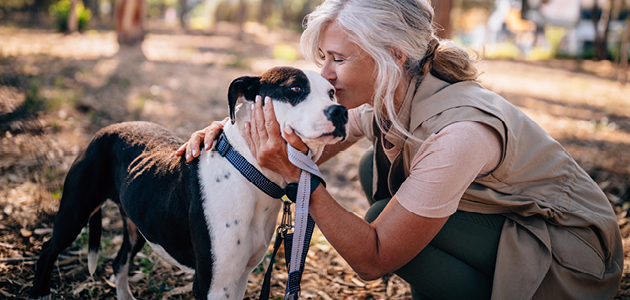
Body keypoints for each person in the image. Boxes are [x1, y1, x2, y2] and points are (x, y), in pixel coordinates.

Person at [175, 0, 623, 299]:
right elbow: (311, 133)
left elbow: (371, 260)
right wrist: (233, 134)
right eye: (322, 59)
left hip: (573, 262)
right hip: (520, 221)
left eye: (338, 58)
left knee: (378, 225)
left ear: (389, 55)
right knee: (377, 165)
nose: (325, 76)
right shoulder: (395, 94)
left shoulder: (459, 134)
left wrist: (298, 180)